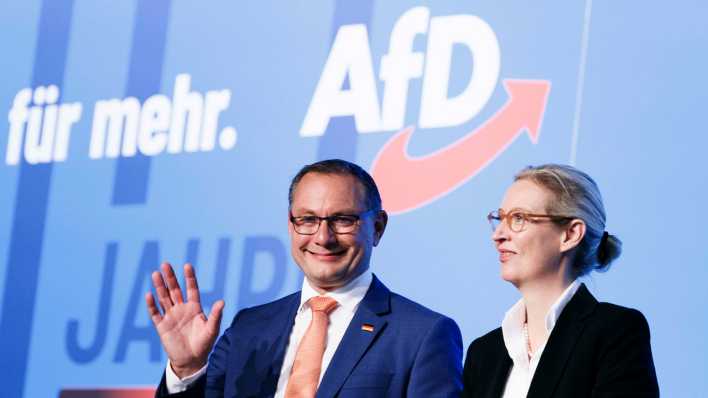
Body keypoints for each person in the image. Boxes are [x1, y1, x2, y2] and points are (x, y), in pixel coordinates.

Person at [146, 159, 463, 397]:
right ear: (290, 224)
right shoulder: (249, 328)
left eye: (342, 220)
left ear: (377, 227)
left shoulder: (423, 335)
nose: (323, 237)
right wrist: (187, 370)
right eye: (308, 220)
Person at [461, 164, 658, 398]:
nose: (498, 235)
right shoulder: (484, 353)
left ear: (571, 234)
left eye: (518, 218)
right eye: (500, 218)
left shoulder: (614, 332)